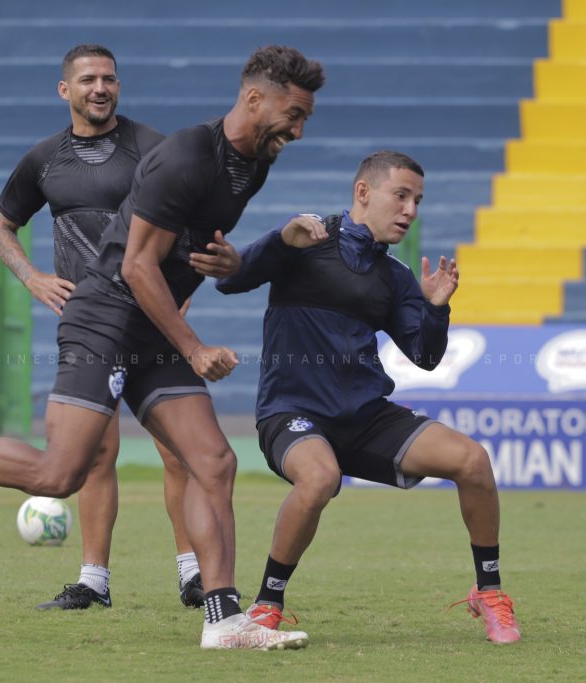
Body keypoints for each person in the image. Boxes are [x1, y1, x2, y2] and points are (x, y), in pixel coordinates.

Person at [0, 45, 325, 651]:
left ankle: (222, 620)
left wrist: (235, 260)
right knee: (59, 473)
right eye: (294, 114)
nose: (300, 130)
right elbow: (140, 267)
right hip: (105, 318)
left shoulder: (251, 164)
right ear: (255, 99)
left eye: (305, 118)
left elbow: (188, 253)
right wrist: (194, 347)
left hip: (150, 324)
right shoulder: (183, 158)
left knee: (214, 463)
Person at [215, 151, 522, 644]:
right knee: (319, 478)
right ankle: (268, 603)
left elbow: (424, 355)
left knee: (473, 460)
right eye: (400, 195)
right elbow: (230, 279)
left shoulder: (395, 276)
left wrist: (437, 309)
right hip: (291, 413)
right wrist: (278, 240)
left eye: (418, 200)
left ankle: (488, 593)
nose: (410, 210)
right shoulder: (305, 239)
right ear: (363, 192)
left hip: (366, 418)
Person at [0, 44, 202, 611]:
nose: (99, 88)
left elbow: (194, 228)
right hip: (90, 329)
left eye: (108, 79)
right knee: (93, 456)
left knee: (178, 452)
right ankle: (93, 581)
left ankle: (192, 574)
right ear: (66, 91)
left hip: (150, 324)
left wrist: (173, 301)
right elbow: (1, 227)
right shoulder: (43, 160)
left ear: (119, 87)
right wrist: (32, 278)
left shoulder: (151, 148)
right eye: (87, 80)